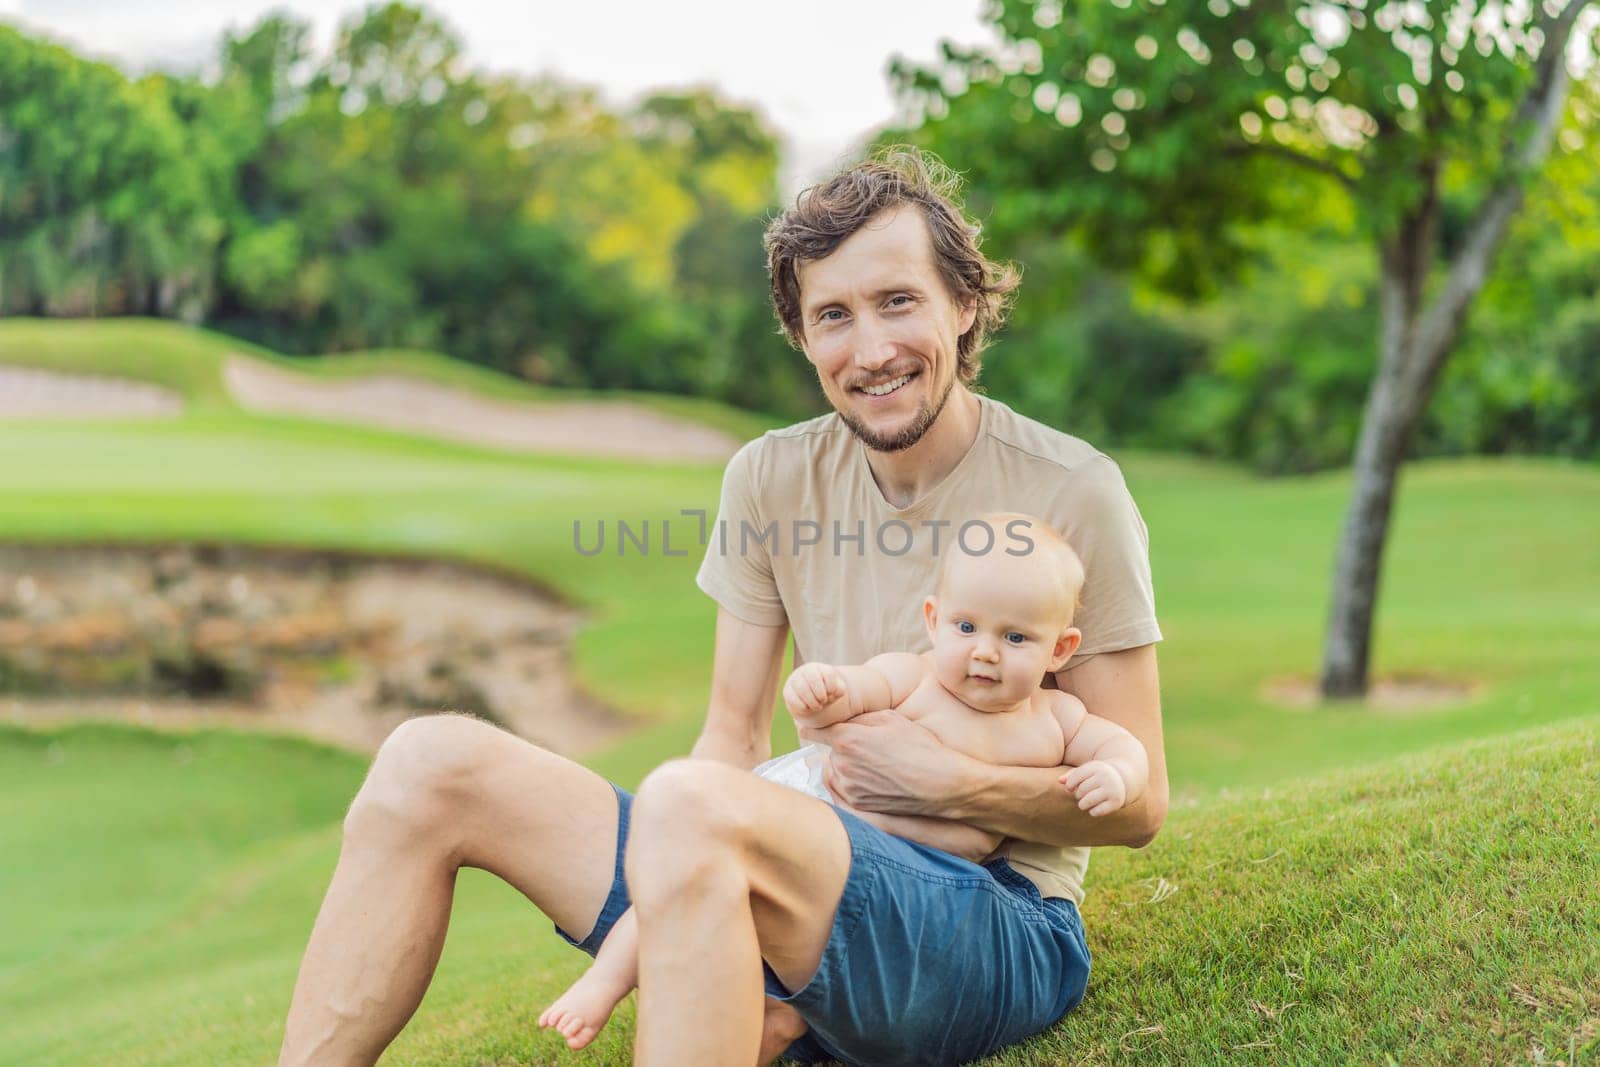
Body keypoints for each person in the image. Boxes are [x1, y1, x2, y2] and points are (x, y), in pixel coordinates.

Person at [277, 146, 1166, 1067]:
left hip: (995, 918)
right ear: (803, 335)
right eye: (833, 315)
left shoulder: (1072, 492)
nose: (871, 349)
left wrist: (946, 783)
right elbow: (729, 739)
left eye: (899, 300)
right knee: (431, 760)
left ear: (964, 303)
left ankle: (767, 990)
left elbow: (1140, 810)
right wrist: (686, 848)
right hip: (793, 867)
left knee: (696, 808)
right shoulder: (770, 475)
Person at [535, 515, 1150, 1052]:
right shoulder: (913, 679)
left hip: (902, 880)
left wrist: (1115, 775)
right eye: (967, 628)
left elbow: (1123, 747)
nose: (985, 653)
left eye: (1015, 638)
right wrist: (820, 689)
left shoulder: (1055, 719)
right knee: (691, 871)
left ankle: (781, 1018)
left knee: (769, 928)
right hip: (818, 819)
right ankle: (606, 981)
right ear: (934, 620)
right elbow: (849, 692)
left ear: (1060, 650)